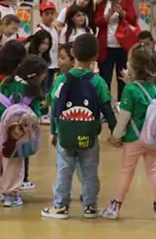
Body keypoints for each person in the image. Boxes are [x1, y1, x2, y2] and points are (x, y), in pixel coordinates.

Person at [43, 34, 117, 219]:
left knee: (64, 170)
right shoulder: (98, 82)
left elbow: (54, 109)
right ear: (96, 57)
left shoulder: (61, 80)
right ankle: (90, 207)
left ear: (73, 52)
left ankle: (60, 206)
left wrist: (54, 131)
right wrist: (116, 132)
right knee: (90, 171)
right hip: (89, 134)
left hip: (65, 134)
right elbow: (107, 109)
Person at [104, 44, 156, 221]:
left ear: (133, 66)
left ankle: (115, 206)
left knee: (126, 171)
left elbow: (124, 117)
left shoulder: (129, 90)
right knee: (152, 171)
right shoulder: (153, 88)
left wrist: (115, 136)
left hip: (132, 139)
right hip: (150, 138)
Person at [0, 55, 47, 207]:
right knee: (13, 163)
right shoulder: (32, 91)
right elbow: (35, 115)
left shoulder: (7, 82)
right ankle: (10, 195)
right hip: (17, 134)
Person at [94, 0, 140, 97]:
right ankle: (106, 107)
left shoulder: (127, 0)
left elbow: (133, 20)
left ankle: (123, 105)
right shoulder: (100, 3)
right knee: (105, 79)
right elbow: (97, 23)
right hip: (106, 47)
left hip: (123, 46)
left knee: (123, 79)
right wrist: (107, 15)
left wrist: (122, 12)